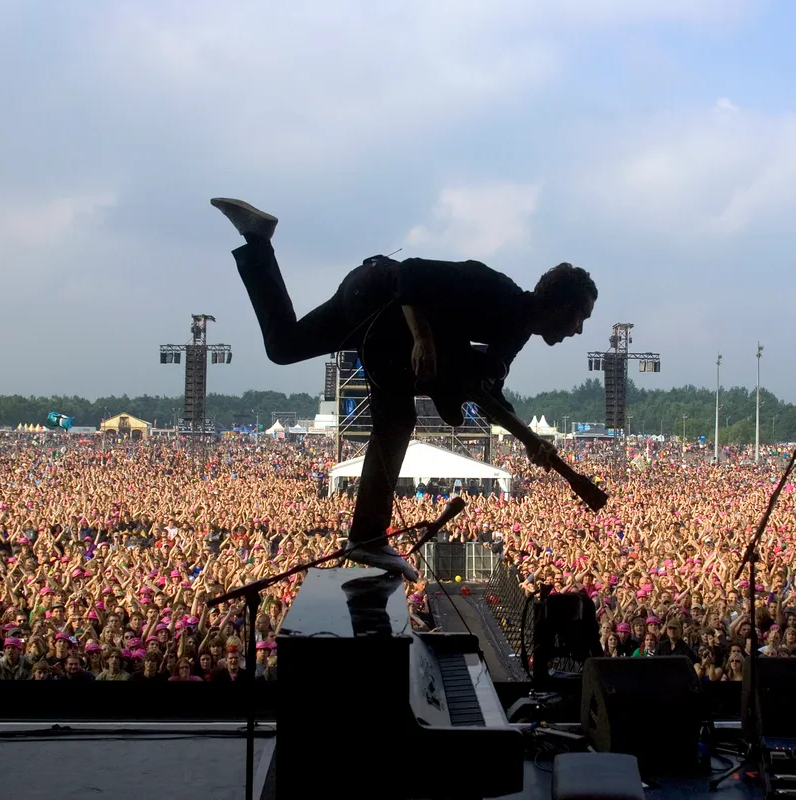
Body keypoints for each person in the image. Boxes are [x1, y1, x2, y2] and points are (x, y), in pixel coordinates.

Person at [213, 197, 597, 581]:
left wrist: (530, 439)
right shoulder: (497, 291)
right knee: (397, 419)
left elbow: (488, 391)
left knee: (283, 347)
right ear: (560, 306)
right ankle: (367, 536)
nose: (578, 329)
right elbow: (411, 272)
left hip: (371, 305)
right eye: (580, 317)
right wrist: (423, 338)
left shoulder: (516, 331)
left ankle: (256, 239)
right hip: (378, 297)